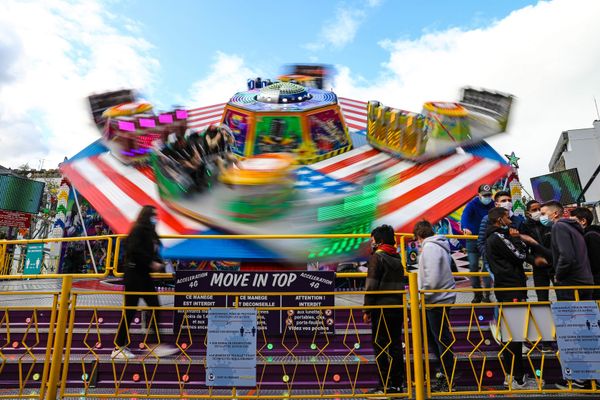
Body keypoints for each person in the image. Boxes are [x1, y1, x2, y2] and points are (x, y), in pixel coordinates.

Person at [485, 207, 541, 390]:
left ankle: (512, 376)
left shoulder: (496, 236)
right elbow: (520, 255)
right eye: (507, 217)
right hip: (511, 289)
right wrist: (517, 239)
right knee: (514, 336)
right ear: (499, 219)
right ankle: (517, 378)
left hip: (508, 288)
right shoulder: (498, 237)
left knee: (511, 335)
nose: (510, 220)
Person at [113, 206, 178, 359]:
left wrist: (158, 264)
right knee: (130, 311)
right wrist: (151, 263)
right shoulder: (138, 229)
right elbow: (134, 250)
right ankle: (118, 347)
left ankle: (155, 344)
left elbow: (154, 252)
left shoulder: (151, 232)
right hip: (134, 273)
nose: (155, 218)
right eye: (152, 215)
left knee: (154, 306)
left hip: (143, 274)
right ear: (146, 216)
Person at [413, 220, 456, 392]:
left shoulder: (430, 248)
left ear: (419, 236)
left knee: (440, 340)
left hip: (435, 300)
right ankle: (445, 373)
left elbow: (432, 277)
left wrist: (423, 295)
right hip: (440, 298)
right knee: (437, 339)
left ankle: (448, 377)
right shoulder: (438, 246)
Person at [363, 224, 405, 397]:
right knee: (395, 346)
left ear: (379, 242)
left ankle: (384, 384)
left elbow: (371, 286)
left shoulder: (377, 258)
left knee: (380, 346)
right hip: (397, 307)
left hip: (381, 309)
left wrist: (367, 309)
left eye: (372, 241)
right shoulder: (397, 258)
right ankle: (397, 385)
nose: (371, 244)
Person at [475, 190, 524, 302]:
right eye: (503, 201)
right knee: (504, 292)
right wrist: (491, 258)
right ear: (496, 204)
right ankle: (500, 318)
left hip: (513, 262)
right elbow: (481, 242)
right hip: (497, 264)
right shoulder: (488, 219)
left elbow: (519, 240)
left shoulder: (516, 219)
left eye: (509, 200)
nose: (507, 203)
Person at [540, 201, 594, 301]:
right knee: (586, 316)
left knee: (569, 316)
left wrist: (558, 275)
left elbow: (566, 256)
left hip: (571, 283)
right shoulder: (573, 228)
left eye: (543, 214)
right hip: (585, 282)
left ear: (555, 213)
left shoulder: (559, 227)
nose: (541, 217)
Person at [461, 184, 495, 303]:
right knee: (473, 266)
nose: (487, 197)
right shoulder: (472, 204)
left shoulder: (493, 204)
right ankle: (477, 293)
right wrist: (465, 227)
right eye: (485, 195)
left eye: (489, 195)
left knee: (486, 267)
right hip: (473, 239)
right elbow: (465, 216)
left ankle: (486, 294)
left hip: (486, 239)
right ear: (479, 195)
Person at [519, 200, 553, 301]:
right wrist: (534, 261)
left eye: (539, 209)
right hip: (539, 267)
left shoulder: (550, 222)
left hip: (555, 265)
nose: (538, 211)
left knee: (563, 296)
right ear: (528, 213)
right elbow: (522, 250)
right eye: (534, 210)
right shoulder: (524, 226)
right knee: (542, 299)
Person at [570, 207, 600, 299]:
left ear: (583, 221)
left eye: (572, 221)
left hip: (595, 285)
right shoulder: (587, 235)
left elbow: (595, 264)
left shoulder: (591, 236)